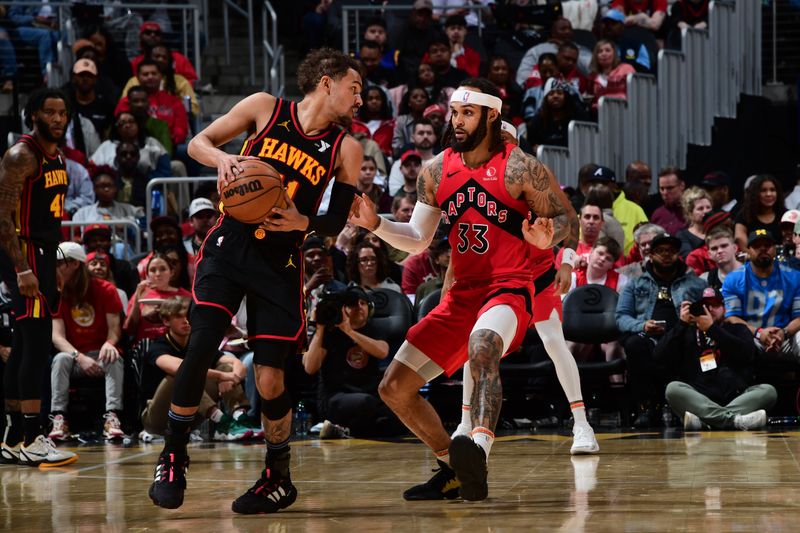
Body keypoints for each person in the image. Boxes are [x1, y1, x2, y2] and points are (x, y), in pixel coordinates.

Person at [147, 48, 364, 514]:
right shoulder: (265, 107)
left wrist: (302, 222)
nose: (360, 97)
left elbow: (333, 221)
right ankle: (173, 454)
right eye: (355, 86)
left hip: (281, 262)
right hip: (231, 244)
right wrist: (222, 161)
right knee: (203, 341)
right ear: (327, 82)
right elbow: (196, 143)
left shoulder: (347, 147)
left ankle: (278, 477)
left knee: (269, 378)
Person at [350, 77, 579, 501]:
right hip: (461, 293)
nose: (456, 120)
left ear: (492, 115)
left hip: (509, 288)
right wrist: (375, 224)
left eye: (467, 112)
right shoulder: (436, 169)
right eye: (454, 112)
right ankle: (453, 466)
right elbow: (418, 237)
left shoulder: (519, 166)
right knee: (392, 388)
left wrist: (550, 242)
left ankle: (479, 446)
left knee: (484, 345)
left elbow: (564, 219)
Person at [0, 88, 78, 467]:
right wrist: (22, 268)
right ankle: (34, 437)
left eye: (63, 113)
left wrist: (51, 268)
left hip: (45, 255)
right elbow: (3, 219)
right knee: (35, 344)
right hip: (25, 253)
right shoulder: (21, 155)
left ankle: (13, 438)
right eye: (50, 112)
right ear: (34, 116)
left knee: (22, 344)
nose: (59, 119)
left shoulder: (57, 155)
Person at [616, 232, 707, 427]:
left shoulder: (696, 283)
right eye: (660, 251)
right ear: (651, 255)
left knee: (691, 340)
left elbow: (709, 311)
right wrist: (642, 326)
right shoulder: (635, 283)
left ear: (678, 255)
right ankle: (647, 408)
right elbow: (621, 317)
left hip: (681, 335)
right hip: (648, 337)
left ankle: (681, 406)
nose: (666, 255)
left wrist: (693, 319)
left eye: (671, 251)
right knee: (634, 344)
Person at [656, 287, 776, 431]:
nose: (710, 309)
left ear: (724, 309)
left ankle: (706, 421)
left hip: (737, 398)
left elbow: (747, 354)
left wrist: (712, 329)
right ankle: (734, 420)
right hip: (699, 399)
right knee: (672, 389)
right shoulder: (686, 332)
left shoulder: (737, 329)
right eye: (705, 306)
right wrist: (681, 324)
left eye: (715, 305)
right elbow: (659, 357)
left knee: (768, 391)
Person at [141, 297, 256, 443]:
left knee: (226, 366)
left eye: (187, 316)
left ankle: (239, 417)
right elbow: (180, 368)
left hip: (188, 416)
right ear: (166, 321)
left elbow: (234, 362)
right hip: (156, 419)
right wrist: (222, 375)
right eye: (178, 316)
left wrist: (233, 376)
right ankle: (222, 422)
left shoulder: (196, 344)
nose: (185, 321)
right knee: (182, 375)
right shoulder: (158, 346)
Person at [48, 242, 124, 442]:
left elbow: (114, 330)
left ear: (74, 264)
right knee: (60, 359)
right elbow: (57, 336)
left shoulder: (106, 289)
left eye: (59, 263)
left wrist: (110, 343)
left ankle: (112, 417)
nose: (55, 267)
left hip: (100, 354)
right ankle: (59, 418)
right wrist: (79, 358)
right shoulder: (56, 294)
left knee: (113, 356)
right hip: (75, 356)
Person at [303, 285, 402, 438]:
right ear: (343, 309)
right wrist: (320, 328)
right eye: (353, 304)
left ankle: (342, 431)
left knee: (399, 419)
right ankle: (347, 428)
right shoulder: (330, 332)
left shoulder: (374, 328)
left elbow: (383, 352)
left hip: (369, 394)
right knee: (365, 403)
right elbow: (310, 367)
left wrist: (350, 331)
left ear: (370, 308)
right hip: (335, 397)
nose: (359, 307)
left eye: (363, 303)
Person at [722, 230, 800, 362]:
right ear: (748, 250)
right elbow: (732, 318)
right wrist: (759, 333)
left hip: (786, 338)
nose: (763, 249)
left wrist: (784, 333)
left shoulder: (794, 277)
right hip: (753, 339)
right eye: (757, 246)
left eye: (768, 245)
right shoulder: (733, 279)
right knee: (732, 336)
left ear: (775, 249)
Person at [125, 254, 191, 345]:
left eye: (163, 269)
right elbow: (129, 329)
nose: (158, 274)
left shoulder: (185, 296)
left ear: (171, 273)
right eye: (152, 270)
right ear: (147, 274)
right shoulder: (141, 293)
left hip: (175, 345)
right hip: (145, 345)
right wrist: (137, 297)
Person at [734, 175, 785, 253]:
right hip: (753, 261)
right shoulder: (743, 216)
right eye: (763, 190)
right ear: (754, 194)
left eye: (772, 190)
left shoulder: (785, 215)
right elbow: (740, 239)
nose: (769, 194)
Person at [587, 39, 637, 114]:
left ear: (614, 53)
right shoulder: (593, 76)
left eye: (607, 50)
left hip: (623, 111)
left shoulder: (626, 68)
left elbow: (636, 92)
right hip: (601, 113)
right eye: (600, 51)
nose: (604, 54)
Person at [676, 187, 713, 258]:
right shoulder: (683, 236)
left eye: (708, 207)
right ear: (689, 213)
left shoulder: (720, 230)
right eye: (700, 208)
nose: (706, 211)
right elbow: (690, 258)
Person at [651, 167, 687, 235]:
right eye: (662, 188)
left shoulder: (692, 212)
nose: (665, 193)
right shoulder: (657, 214)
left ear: (682, 186)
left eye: (670, 188)